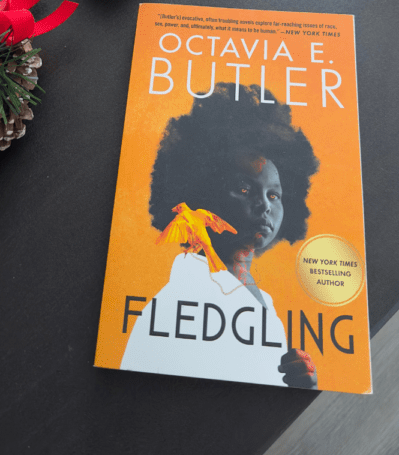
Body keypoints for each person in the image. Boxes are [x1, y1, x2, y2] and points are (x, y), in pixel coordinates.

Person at [120, 83, 319, 389]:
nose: (264, 205)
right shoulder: (183, 301)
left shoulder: (261, 301)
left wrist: (301, 384)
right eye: (244, 189)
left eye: (274, 195)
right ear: (203, 196)